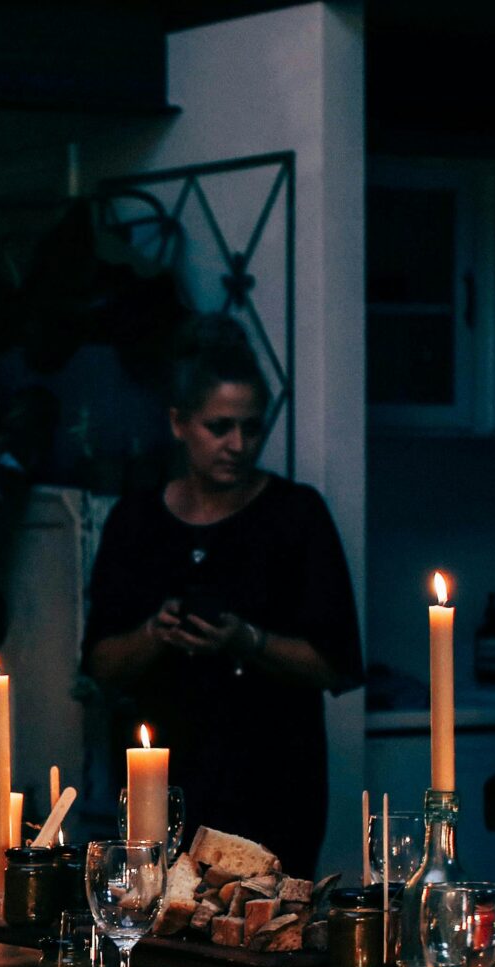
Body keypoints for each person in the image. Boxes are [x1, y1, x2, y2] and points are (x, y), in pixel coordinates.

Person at [80, 321, 362, 878]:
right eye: (220, 427)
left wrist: (247, 640)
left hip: (274, 782)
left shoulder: (296, 516)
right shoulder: (136, 521)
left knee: (262, 933)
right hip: (164, 781)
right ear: (179, 423)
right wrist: (156, 633)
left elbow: (337, 663)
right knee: (155, 926)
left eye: (252, 428)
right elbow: (100, 664)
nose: (239, 444)